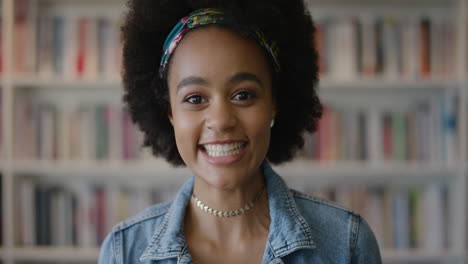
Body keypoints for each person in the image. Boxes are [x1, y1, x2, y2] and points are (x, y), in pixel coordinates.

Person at [99, 0, 382, 263]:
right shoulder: (124, 251)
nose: (221, 120)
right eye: (195, 98)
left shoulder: (347, 244)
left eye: (243, 95)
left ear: (274, 102)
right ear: (169, 112)